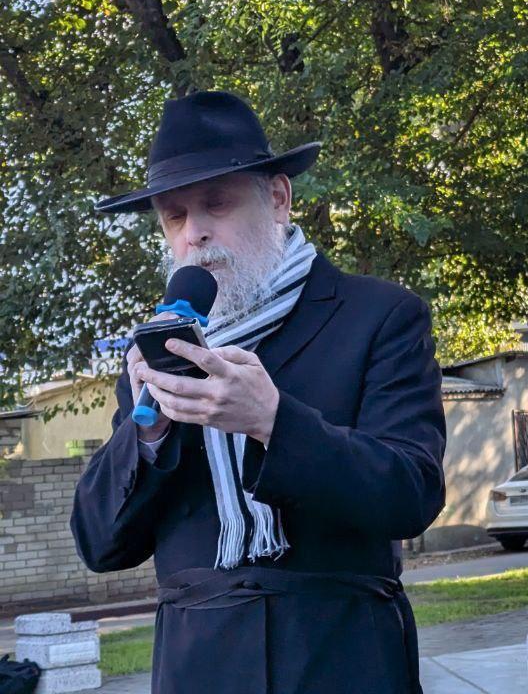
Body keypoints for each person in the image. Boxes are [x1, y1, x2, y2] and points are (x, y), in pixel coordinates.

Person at [70, 91, 446, 694]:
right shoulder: (158, 355)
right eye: (174, 215)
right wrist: (148, 433)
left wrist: (273, 421)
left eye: (215, 203)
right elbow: (100, 545)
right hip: (198, 668)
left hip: (344, 656)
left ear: (277, 198)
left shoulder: (379, 315)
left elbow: (412, 494)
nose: (195, 232)